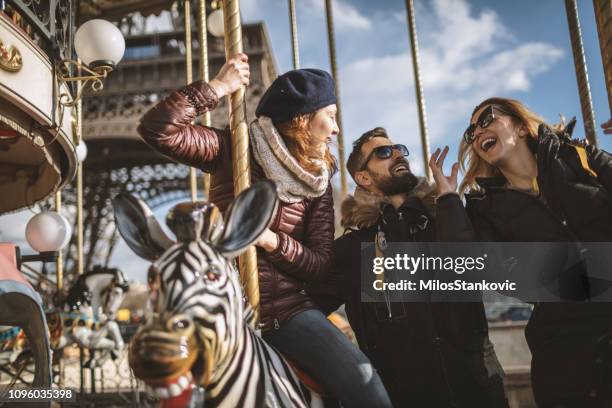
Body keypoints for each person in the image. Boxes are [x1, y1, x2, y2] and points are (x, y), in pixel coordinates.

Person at [137, 53, 391, 407]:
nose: (335, 129)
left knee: (366, 387)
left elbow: (318, 264)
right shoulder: (233, 149)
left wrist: (272, 241)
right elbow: (157, 129)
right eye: (330, 117)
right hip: (221, 309)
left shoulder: (319, 181)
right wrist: (217, 87)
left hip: (287, 314)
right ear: (303, 119)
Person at [429, 97, 612, 407]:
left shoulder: (579, 158)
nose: (476, 132)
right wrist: (447, 201)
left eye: (486, 119)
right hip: (568, 347)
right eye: (470, 131)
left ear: (521, 126)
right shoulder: (484, 209)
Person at [314, 127, 507, 407]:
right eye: (383, 152)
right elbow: (306, 308)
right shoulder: (353, 250)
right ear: (364, 178)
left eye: (398, 149)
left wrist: (450, 201)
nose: (396, 154)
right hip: (406, 397)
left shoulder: (446, 220)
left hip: (479, 389)